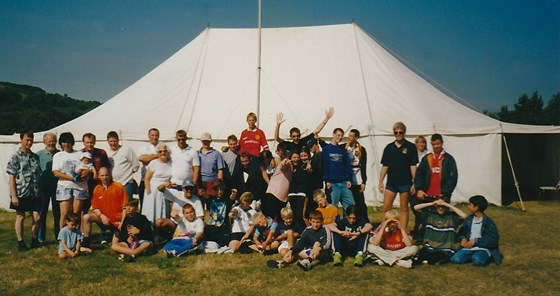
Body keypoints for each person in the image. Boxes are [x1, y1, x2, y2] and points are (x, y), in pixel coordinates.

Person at [412, 133, 458, 237]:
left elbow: (453, 177)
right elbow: (419, 174)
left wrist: (445, 192)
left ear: (442, 143)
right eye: (434, 144)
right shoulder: (427, 158)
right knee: (425, 219)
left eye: (438, 144)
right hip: (427, 195)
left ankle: (441, 240)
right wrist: (419, 189)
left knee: (441, 220)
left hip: (441, 195)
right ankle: (424, 239)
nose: (436, 146)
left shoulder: (448, 159)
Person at [7, 131, 43, 251]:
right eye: (27, 140)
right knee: (20, 216)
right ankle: (21, 242)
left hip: (34, 192)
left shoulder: (35, 157)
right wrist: (14, 195)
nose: (29, 142)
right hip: (21, 192)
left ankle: (34, 240)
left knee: (37, 218)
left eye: (31, 140)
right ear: (21, 139)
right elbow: (11, 177)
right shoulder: (15, 156)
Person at [378, 122, 418, 228]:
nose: (398, 134)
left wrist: (415, 182)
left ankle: (403, 231)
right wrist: (380, 181)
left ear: (404, 132)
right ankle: (383, 230)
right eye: (396, 132)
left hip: (405, 182)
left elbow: (413, 165)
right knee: (386, 207)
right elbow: (385, 166)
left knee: (404, 208)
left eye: (400, 132)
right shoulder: (389, 148)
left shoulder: (410, 147)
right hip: (391, 182)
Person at [53, 132, 91, 231]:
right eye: (64, 142)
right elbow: (56, 173)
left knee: (77, 212)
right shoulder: (58, 155)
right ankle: (63, 236)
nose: (66, 144)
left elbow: (88, 167)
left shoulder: (80, 154)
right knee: (64, 213)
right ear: (61, 143)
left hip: (79, 187)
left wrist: (86, 173)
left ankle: (76, 235)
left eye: (68, 142)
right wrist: (72, 178)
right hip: (64, 186)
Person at [81, 167, 128, 247]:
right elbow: (95, 207)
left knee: (115, 244)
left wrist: (123, 223)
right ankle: (86, 243)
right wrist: (102, 216)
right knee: (86, 217)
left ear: (109, 175)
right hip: (105, 219)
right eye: (102, 175)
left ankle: (120, 237)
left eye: (106, 175)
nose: (104, 177)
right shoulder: (97, 188)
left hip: (118, 221)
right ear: (98, 176)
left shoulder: (119, 186)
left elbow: (125, 207)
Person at [450, 195, 502, 266]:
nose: (468, 206)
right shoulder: (469, 219)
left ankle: (489, 256)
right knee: (455, 259)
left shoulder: (488, 222)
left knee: (478, 261)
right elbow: (462, 231)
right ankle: (471, 256)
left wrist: (476, 241)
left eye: (470, 204)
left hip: (483, 248)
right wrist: (463, 238)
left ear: (476, 207)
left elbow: (493, 239)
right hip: (469, 247)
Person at [413, 198, 467, 265]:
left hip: (444, 248)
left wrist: (448, 205)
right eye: (439, 207)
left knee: (432, 260)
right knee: (419, 256)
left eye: (443, 206)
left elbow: (465, 216)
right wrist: (432, 203)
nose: (441, 208)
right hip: (430, 246)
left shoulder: (451, 217)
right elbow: (415, 207)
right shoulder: (430, 215)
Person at [322, 128, 354, 216]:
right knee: (333, 207)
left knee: (350, 205)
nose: (339, 137)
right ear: (333, 134)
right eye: (338, 135)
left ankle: (348, 225)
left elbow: (347, 165)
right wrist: (326, 180)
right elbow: (325, 166)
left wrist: (348, 179)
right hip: (332, 183)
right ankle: (333, 226)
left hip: (343, 182)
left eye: (341, 136)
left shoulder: (342, 150)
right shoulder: (326, 149)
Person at [37, 132, 60, 243]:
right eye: (49, 141)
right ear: (44, 142)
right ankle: (41, 238)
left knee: (58, 213)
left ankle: (58, 236)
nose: (51, 143)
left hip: (57, 188)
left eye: (53, 140)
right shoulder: (39, 155)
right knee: (42, 213)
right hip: (43, 188)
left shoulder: (60, 154)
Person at [141, 143, 172, 224]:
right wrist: (149, 193)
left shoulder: (170, 163)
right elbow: (147, 178)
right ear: (157, 153)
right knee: (151, 212)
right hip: (153, 190)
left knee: (163, 212)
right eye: (160, 151)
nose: (162, 153)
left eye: (164, 151)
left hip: (165, 190)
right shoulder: (153, 163)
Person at [81, 133, 110, 214]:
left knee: (101, 208)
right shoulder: (79, 154)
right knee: (83, 209)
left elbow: (106, 168)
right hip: (84, 185)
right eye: (87, 142)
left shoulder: (101, 153)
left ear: (94, 142)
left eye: (91, 142)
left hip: (98, 184)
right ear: (83, 142)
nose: (89, 144)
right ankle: (81, 226)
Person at [263, 153, 297, 221]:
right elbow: (282, 165)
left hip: (282, 196)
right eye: (294, 157)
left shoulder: (293, 167)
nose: (296, 159)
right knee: (272, 217)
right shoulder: (288, 163)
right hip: (274, 193)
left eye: (297, 157)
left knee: (278, 217)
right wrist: (284, 161)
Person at [107, 131, 139, 200]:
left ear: (118, 140)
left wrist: (128, 173)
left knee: (127, 206)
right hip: (113, 184)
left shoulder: (126, 150)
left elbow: (136, 164)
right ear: (108, 141)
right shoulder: (107, 153)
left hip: (126, 183)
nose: (113, 143)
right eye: (111, 141)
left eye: (115, 141)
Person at [345, 129, 369, 222]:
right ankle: (349, 221)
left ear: (356, 137)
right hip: (348, 179)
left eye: (351, 136)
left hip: (358, 179)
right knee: (349, 202)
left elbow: (364, 166)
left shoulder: (361, 149)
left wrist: (364, 181)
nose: (349, 137)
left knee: (360, 202)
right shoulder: (345, 148)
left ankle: (364, 221)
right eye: (349, 135)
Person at [205, 182, 236, 247]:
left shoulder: (226, 200)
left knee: (223, 242)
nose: (219, 192)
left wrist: (233, 194)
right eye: (217, 190)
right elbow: (204, 195)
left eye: (221, 189)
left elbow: (231, 198)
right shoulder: (210, 199)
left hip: (223, 227)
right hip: (212, 227)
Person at [137, 128, 161, 208]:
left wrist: (149, 157)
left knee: (157, 205)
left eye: (156, 135)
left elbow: (166, 159)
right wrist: (157, 155)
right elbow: (142, 158)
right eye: (152, 135)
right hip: (145, 180)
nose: (154, 137)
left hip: (158, 180)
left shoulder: (163, 147)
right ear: (149, 136)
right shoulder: (144, 147)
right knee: (144, 205)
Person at [198, 132, 225, 197]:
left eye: (208, 141)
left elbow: (220, 170)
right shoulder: (197, 154)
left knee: (211, 202)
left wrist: (219, 184)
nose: (206, 143)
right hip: (200, 182)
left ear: (210, 141)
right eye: (204, 141)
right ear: (201, 141)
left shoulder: (216, 153)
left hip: (213, 182)